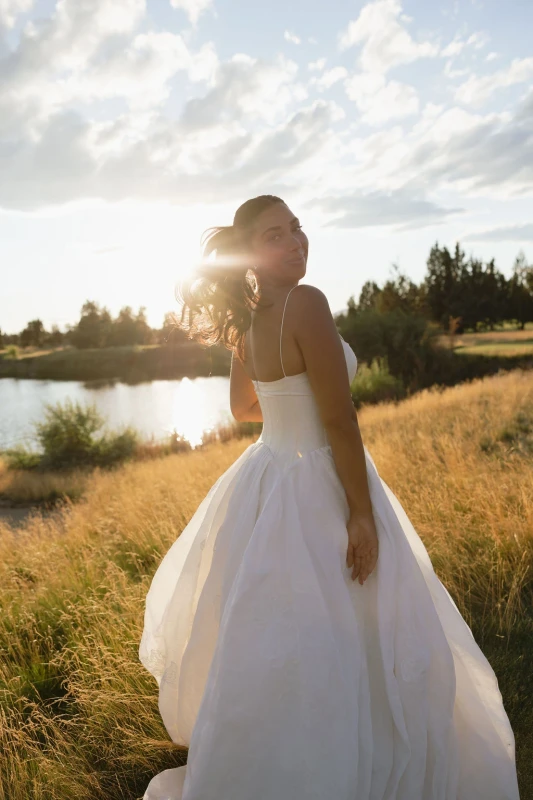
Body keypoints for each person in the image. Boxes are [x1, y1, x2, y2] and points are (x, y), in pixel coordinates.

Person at [139, 195, 520, 799]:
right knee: (358, 624)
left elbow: (243, 409)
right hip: (321, 478)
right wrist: (361, 513)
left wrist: (288, 400)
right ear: (251, 256)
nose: (295, 241)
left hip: (266, 476)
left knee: (282, 634)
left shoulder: (251, 314)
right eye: (275, 236)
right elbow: (341, 420)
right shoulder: (305, 302)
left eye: (296, 228)